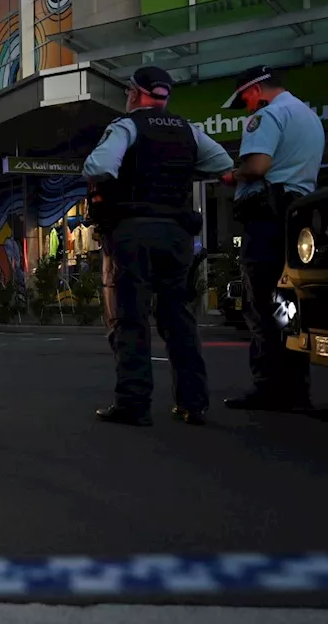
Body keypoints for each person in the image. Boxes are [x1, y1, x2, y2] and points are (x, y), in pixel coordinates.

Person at [82, 66, 234, 426]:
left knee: (130, 318)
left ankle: (133, 404)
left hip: (133, 233)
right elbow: (224, 165)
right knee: (179, 319)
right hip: (177, 234)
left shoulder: (127, 126)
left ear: (134, 93)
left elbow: (99, 166)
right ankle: (193, 403)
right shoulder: (188, 131)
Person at [218, 65, 324, 411]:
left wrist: (233, 174)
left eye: (246, 100)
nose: (248, 108)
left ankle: (269, 387)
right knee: (288, 304)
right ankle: (296, 389)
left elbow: (258, 166)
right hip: (299, 216)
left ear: (255, 91)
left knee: (261, 302)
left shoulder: (266, 117)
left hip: (267, 218)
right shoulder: (308, 115)